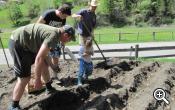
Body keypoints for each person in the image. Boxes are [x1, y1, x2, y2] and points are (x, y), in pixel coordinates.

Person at [8, 23, 75, 110]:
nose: (68, 41)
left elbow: (44, 55)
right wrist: (37, 80)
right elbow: (39, 58)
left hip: (28, 44)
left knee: (44, 64)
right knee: (25, 78)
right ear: (66, 35)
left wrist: (52, 66)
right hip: (18, 43)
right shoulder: (53, 36)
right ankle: (14, 105)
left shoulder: (56, 34)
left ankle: (48, 87)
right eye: (70, 39)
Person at [37, 3, 72, 80]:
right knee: (44, 60)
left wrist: (63, 42)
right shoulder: (48, 14)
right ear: (60, 12)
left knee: (56, 57)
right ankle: (44, 79)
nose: (65, 18)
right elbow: (37, 26)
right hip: (45, 40)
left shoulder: (63, 18)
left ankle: (55, 76)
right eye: (65, 15)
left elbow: (62, 30)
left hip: (56, 40)